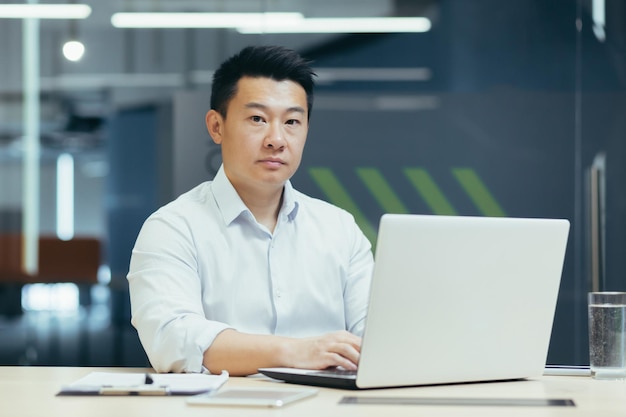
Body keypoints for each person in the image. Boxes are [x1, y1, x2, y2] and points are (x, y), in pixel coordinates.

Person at [127, 45, 373, 376]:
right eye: (257, 118)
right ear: (216, 126)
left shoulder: (340, 230)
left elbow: (376, 337)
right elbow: (173, 340)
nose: (277, 139)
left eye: (292, 121)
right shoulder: (172, 228)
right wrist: (297, 351)